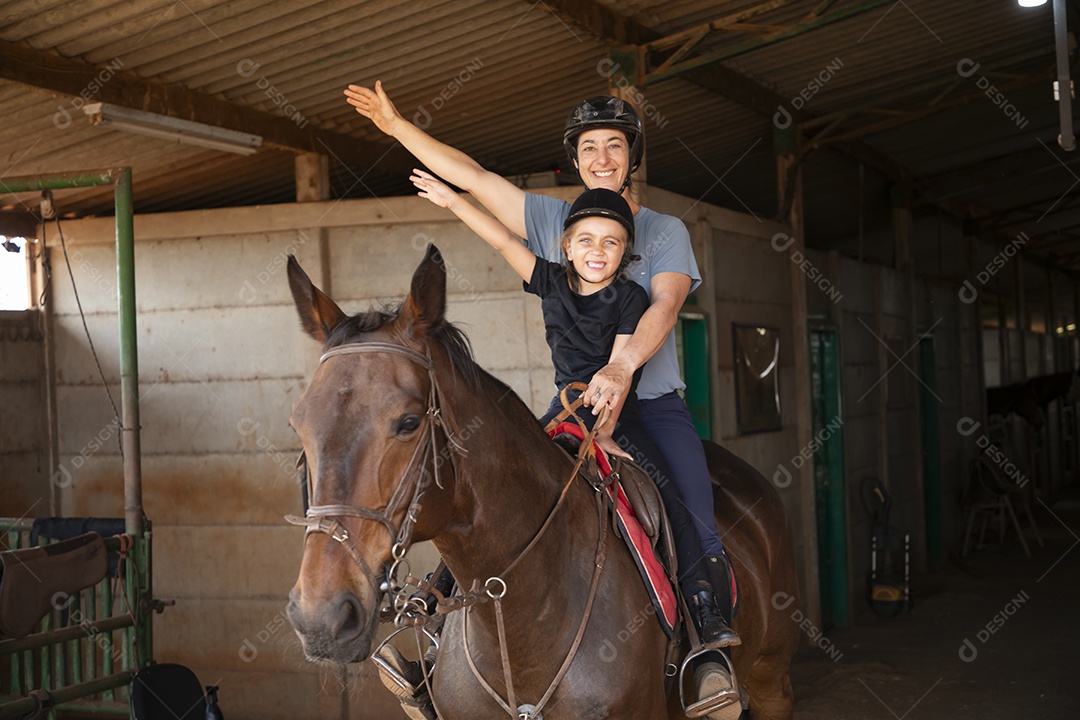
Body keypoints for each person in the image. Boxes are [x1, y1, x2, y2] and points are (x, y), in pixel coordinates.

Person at [349, 84, 740, 720]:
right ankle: (435, 626)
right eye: (591, 148)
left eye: (616, 145)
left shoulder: (664, 231)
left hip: (649, 403)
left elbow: (665, 305)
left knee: (689, 501)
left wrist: (621, 366)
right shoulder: (555, 223)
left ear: (631, 156)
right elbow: (474, 177)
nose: (604, 157)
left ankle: (706, 645)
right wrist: (396, 126)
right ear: (577, 161)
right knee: (488, 487)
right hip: (575, 403)